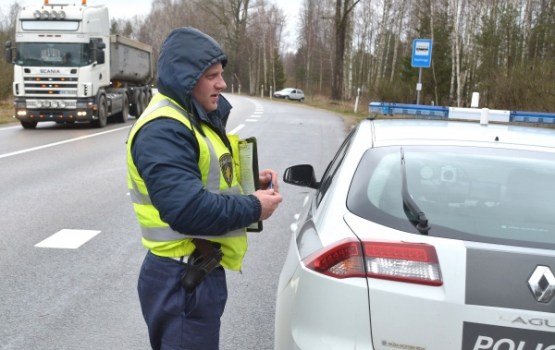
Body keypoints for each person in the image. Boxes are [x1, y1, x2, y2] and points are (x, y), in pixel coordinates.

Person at [126, 27, 283, 350]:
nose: (222, 84)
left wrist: (253, 186)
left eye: (221, 74)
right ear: (186, 79)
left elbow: (210, 178)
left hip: (193, 274)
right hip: (182, 278)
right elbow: (187, 210)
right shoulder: (164, 129)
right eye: (212, 76)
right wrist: (253, 207)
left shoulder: (191, 117)